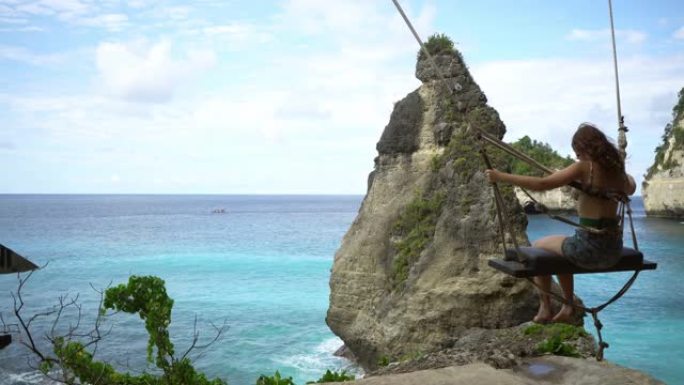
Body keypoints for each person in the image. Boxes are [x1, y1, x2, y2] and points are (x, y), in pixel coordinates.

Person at [485, 123, 636, 323]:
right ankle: (566, 307)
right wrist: (618, 166)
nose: (577, 157)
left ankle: (547, 307)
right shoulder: (618, 174)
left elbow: (542, 184)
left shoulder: (585, 167)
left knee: (540, 246)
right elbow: (631, 187)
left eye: (577, 152)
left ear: (584, 148)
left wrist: (500, 176)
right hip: (612, 249)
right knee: (561, 249)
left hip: (588, 248)